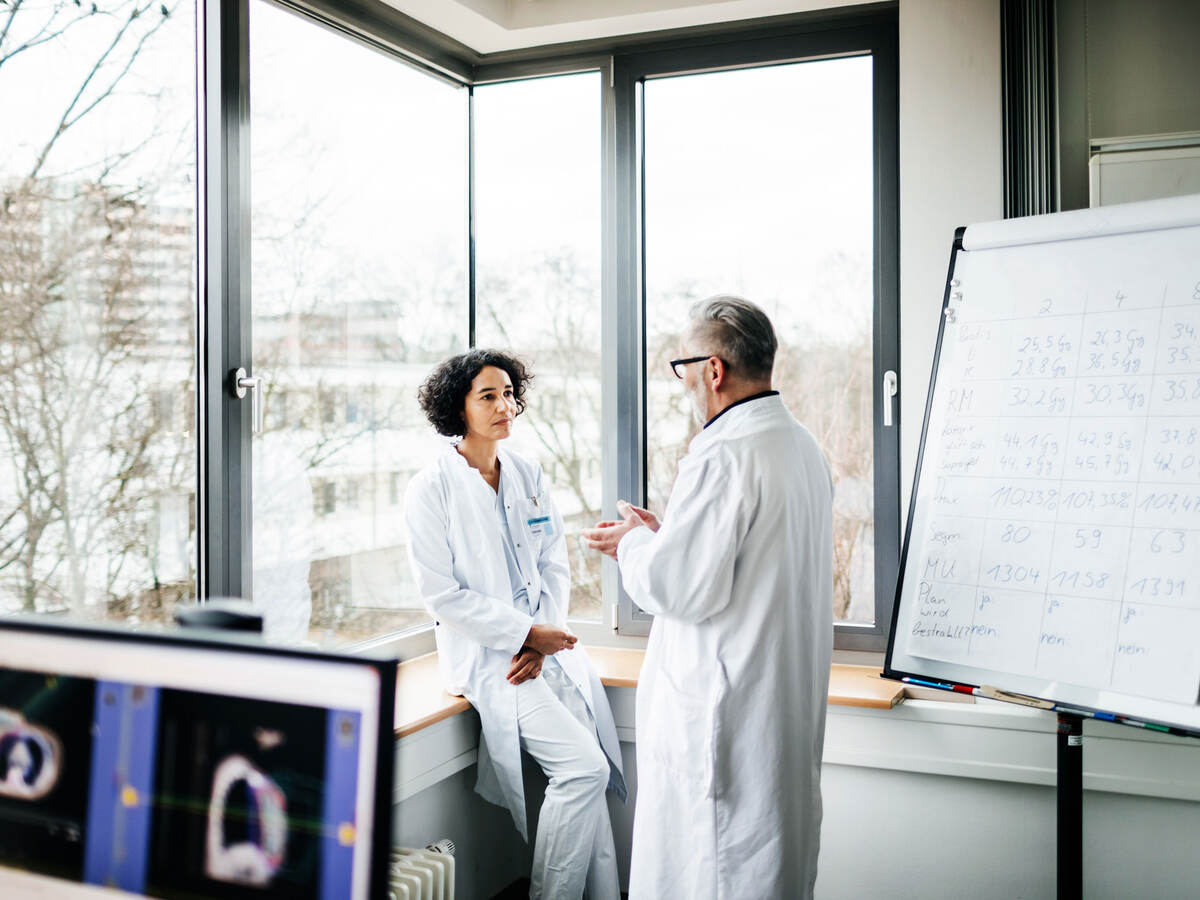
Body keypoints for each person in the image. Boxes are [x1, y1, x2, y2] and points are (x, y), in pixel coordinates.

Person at [583, 295, 834, 899]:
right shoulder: (799, 447)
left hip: (725, 720)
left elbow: (679, 587)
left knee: (713, 872)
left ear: (713, 370)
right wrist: (667, 538)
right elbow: (745, 563)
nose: (685, 384)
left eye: (683, 369)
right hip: (775, 711)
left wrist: (634, 546)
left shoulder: (723, 452)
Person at [404, 348, 626, 900]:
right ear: (458, 406)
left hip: (542, 648)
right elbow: (442, 595)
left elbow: (553, 561)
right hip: (489, 660)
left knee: (590, 774)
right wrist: (525, 636)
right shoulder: (430, 488)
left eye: (508, 393)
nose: (505, 405)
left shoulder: (527, 472)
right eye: (488, 395)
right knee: (583, 771)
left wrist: (543, 637)